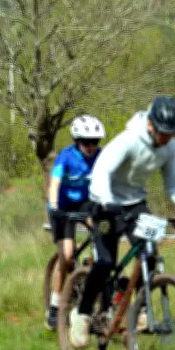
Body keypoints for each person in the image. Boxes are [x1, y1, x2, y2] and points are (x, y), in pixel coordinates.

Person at [69, 96, 175, 349]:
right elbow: (101, 171)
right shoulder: (129, 140)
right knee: (106, 261)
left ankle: (132, 308)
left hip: (135, 204)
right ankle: (82, 313)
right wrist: (106, 201)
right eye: (163, 133)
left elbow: (172, 182)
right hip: (104, 204)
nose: (167, 139)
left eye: (172, 134)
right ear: (151, 124)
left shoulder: (169, 146)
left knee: (150, 256)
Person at [45, 114, 105, 331]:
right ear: (76, 141)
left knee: (103, 234)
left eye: (95, 141)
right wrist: (54, 205)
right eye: (86, 142)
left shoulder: (100, 156)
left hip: (85, 204)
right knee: (67, 256)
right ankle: (54, 306)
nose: (91, 146)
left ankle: (91, 272)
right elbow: (55, 183)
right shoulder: (66, 157)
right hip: (62, 207)